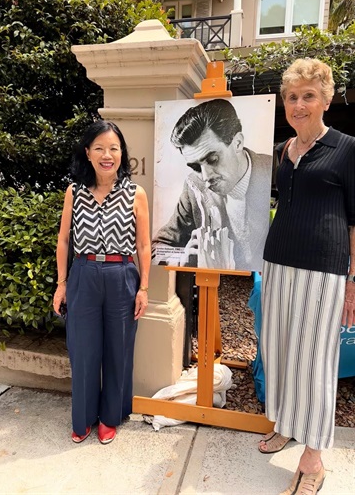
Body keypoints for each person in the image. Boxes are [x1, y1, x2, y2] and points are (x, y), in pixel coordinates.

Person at [259, 58, 355, 495]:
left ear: (326, 99)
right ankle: (287, 424)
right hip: (278, 262)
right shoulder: (284, 150)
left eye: (308, 96)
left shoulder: (348, 149)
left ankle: (313, 457)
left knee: (315, 362)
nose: (299, 104)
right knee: (279, 351)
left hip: (324, 268)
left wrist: (353, 281)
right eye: (292, 97)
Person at [53, 120, 151, 445]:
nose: (107, 155)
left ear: (122, 153)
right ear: (88, 153)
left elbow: (144, 245)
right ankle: (82, 419)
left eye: (113, 148)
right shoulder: (75, 192)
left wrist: (144, 288)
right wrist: (62, 283)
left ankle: (110, 417)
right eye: (99, 148)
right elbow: (64, 240)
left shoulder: (136, 194)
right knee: (83, 350)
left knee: (118, 350)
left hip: (122, 276)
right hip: (83, 274)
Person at [152, 98, 272, 271]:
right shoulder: (193, 186)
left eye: (213, 159)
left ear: (237, 143)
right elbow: (158, 247)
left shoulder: (273, 171)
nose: (206, 177)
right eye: (195, 167)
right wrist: (181, 257)